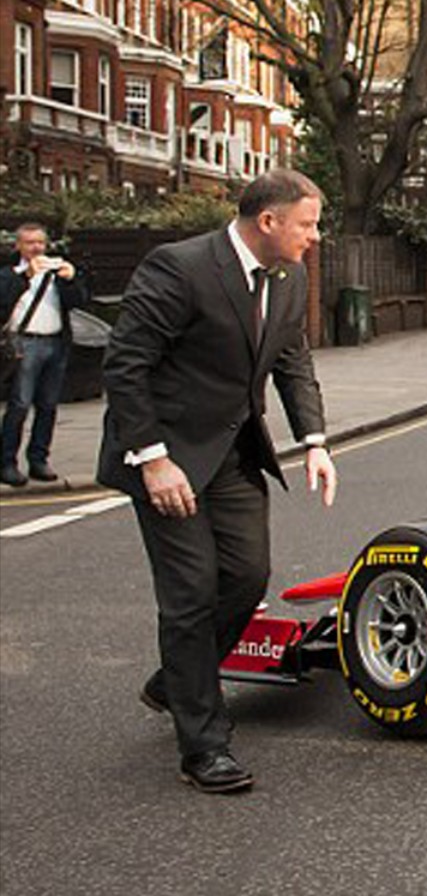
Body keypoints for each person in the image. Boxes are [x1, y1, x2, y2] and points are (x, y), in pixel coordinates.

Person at [100, 170, 336, 795]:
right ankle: (205, 747)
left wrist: (314, 441)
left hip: (232, 455)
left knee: (246, 577)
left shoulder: (289, 278)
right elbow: (125, 364)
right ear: (269, 222)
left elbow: (292, 360)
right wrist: (151, 458)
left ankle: (179, 678)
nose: (315, 236)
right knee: (191, 591)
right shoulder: (179, 268)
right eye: (307, 224)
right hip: (167, 455)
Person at [2, 222, 88, 486]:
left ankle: (39, 459)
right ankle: (6, 462)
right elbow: (3, 301)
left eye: (40, 242)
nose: (36, 248)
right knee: (19, 404)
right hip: (24, 344)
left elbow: (80, 300)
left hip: (55, 343)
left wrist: (71, 279)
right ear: (18, 246)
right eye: (30, 242)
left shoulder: (55, 273)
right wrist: (25, 277)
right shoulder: (8, 274)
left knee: (48, 406)